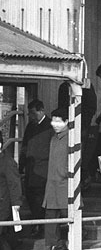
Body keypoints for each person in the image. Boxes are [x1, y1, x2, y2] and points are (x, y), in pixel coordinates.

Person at [44, 108, 80, 250]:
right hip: (53, 182)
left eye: (58, 121)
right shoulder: (54, 138)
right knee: (51, 214)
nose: (55, 124)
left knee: (67, 213)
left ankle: (71, 241)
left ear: (66, 122)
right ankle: (54, 243)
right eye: (53, 121)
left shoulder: (71, 137)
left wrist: (65, 172)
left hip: (65, 182)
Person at [22, 99, 50, 235]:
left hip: (43, 169)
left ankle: (39, 225)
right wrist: (21, 165)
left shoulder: (50, 126)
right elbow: (24, 146)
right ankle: (36, 223)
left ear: (41, 110)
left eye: (33, 113)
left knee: (40, 198)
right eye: (29, 114)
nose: (31, 116)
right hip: (30, 168)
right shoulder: (30, 126)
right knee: (30, 196)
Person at [0, 133, 23, 250]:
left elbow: (14, 183)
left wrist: (16, 202)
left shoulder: (7, 162)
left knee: (1, 233)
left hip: (3, 202)